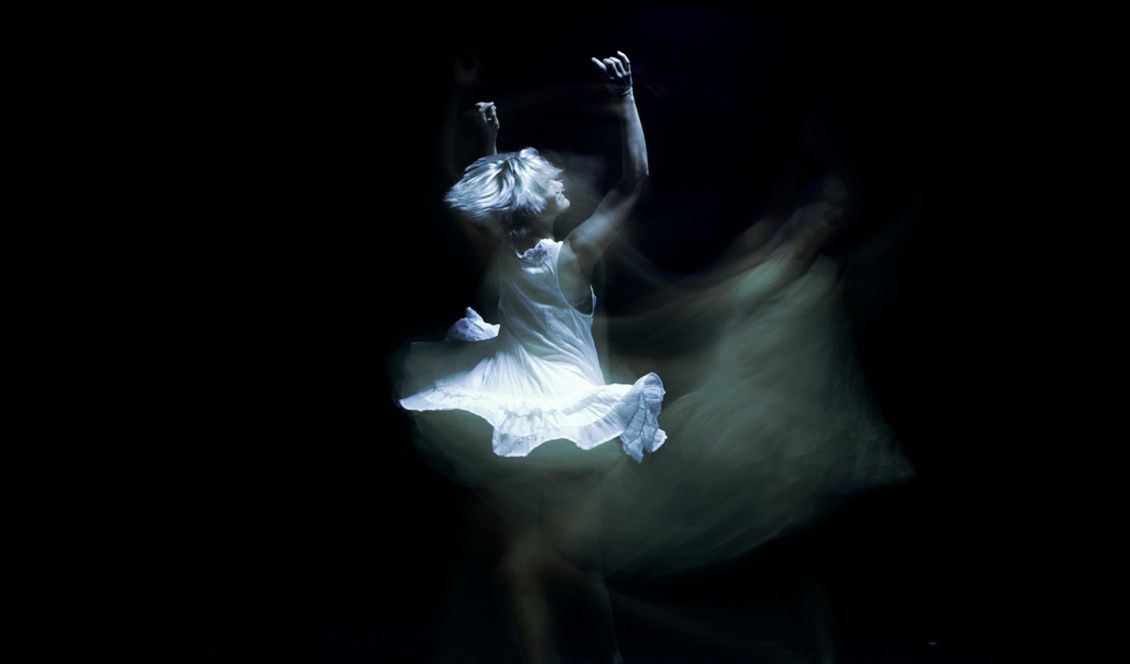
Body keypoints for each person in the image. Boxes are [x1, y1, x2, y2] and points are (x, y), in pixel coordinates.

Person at [394, 50, 653, 664]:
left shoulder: (507, 253)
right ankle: (593, 653)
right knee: (553, 564)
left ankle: (580, 650)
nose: (562, 184)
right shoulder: (573, 254)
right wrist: (626, 99)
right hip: (562, 413)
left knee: (541, 565)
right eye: (552, 184)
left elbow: (467, 185)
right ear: (534, 206)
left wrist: (479, 127)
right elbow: (634, 181)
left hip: (521, 410)